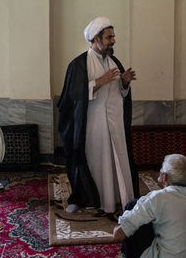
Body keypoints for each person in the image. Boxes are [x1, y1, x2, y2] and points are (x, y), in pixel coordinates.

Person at [58, 16, 139, 215]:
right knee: (94, 160)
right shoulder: (79, 64)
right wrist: (99, 81)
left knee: (117, 159)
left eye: (113, 37)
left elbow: (120, 93)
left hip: (115, 123)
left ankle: (119, 197)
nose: (113, 41)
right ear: (96, 38)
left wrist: (125, 83)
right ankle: (84, 197)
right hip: (92, 125)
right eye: (109, 37)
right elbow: (71, 96)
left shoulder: (115, 61)